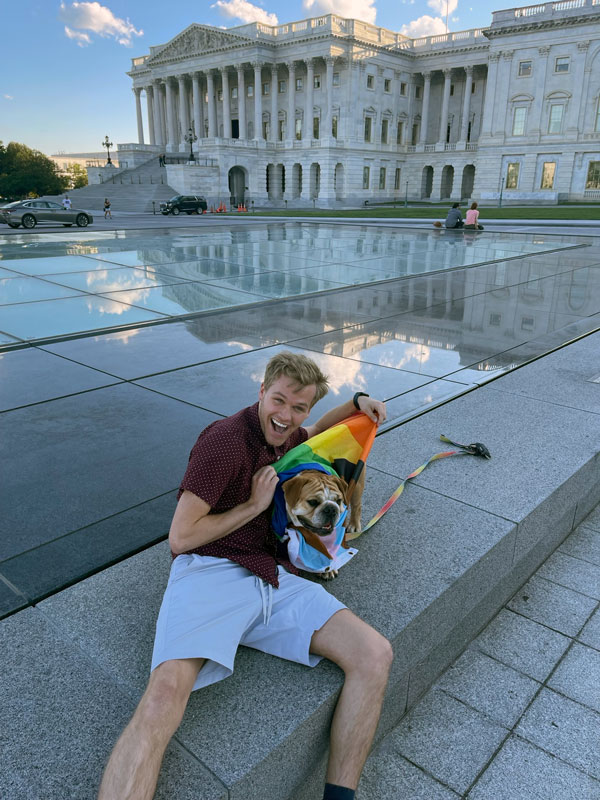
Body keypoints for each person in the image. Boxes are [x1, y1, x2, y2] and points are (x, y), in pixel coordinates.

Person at [98, 351, 393, 800]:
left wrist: (357, 403)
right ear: (261, 391)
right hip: (211, 569)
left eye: (299, 408)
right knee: (162, 697)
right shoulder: (224, 443)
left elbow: (317, 434)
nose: (286, 416)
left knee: (374, 655)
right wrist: (253, 507)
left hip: (269, 574)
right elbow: (180, 538)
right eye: (279, 401)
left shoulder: (289, 434)